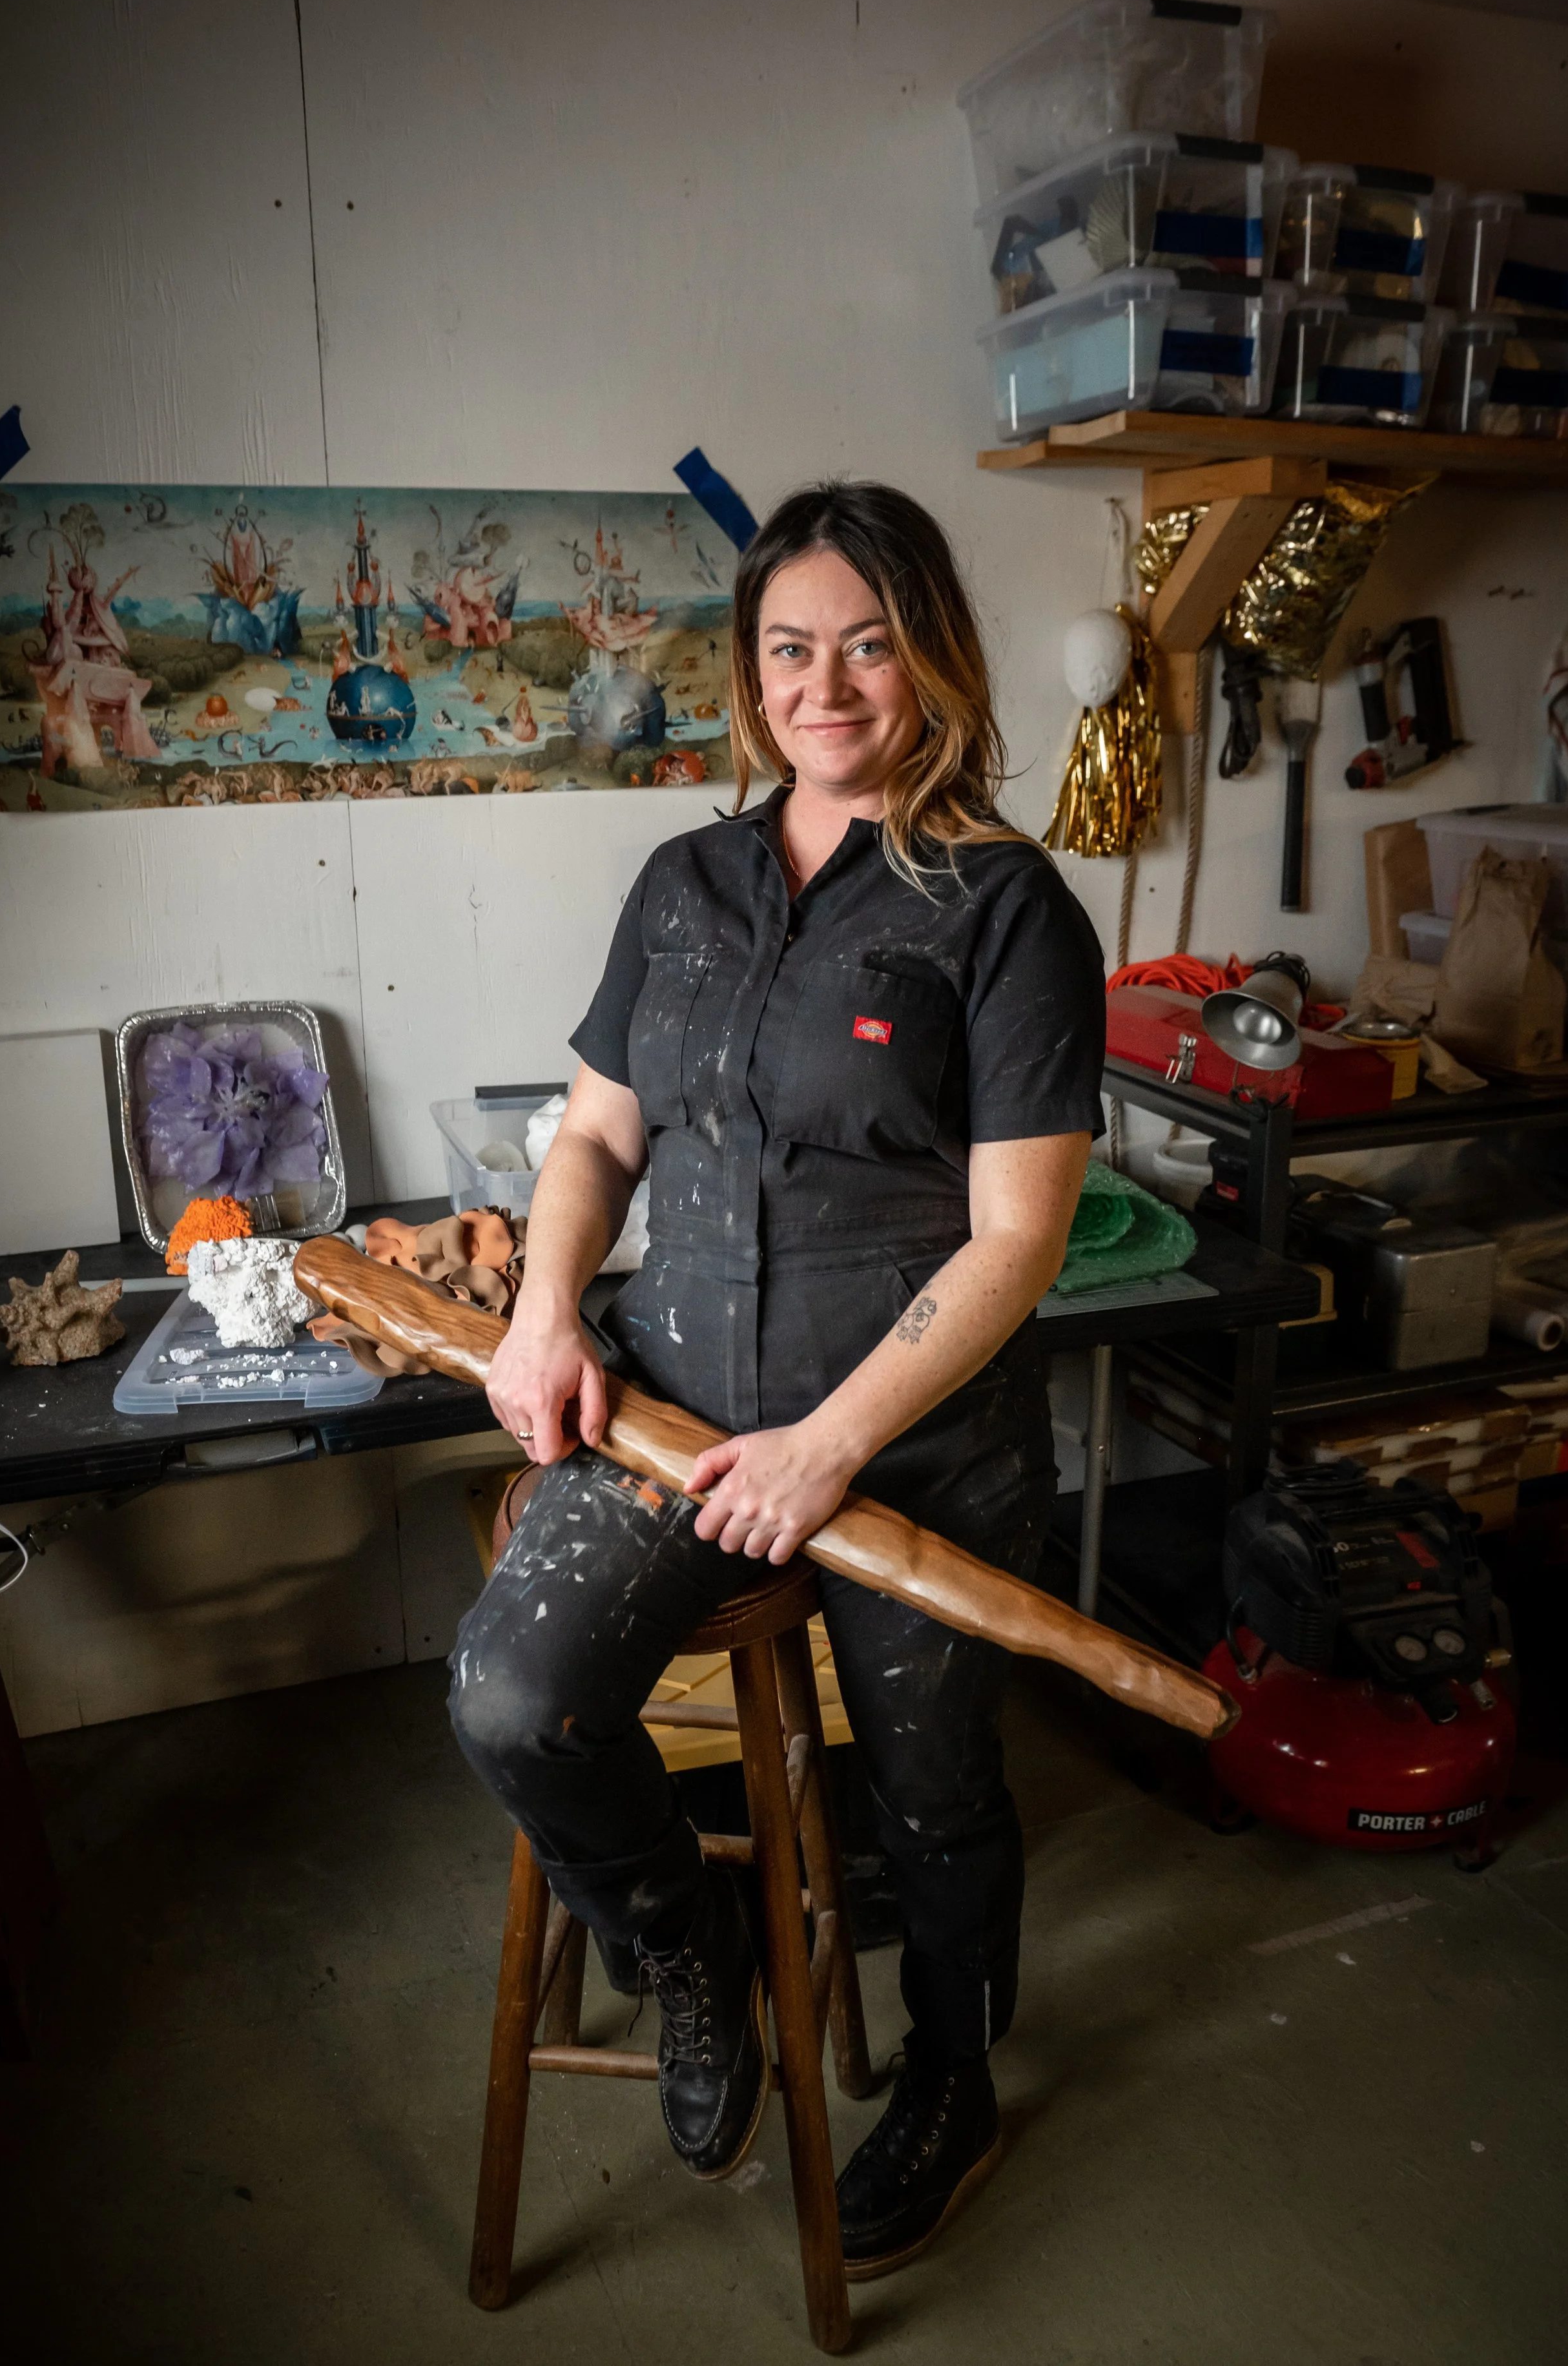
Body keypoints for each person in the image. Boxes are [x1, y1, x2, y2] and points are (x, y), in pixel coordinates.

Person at [449, 480, 1104, 2279]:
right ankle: (689, 1950)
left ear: (933, 659)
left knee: (934, 1792)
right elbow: (592, 1130)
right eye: (790, 648)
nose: (827, 684)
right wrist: (547, 1309)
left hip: (910, 1449)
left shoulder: (1005, 907)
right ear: (748, 675)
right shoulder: (686, 884)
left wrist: (829, 1446)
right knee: (513, 1699)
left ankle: (957, 2076)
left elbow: (1014, 1241)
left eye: (869, 643)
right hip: (670, 1409)